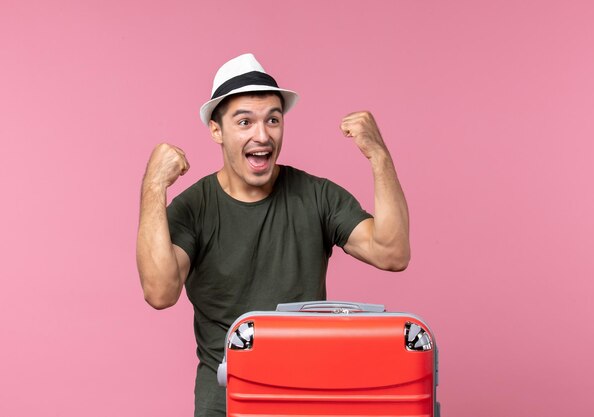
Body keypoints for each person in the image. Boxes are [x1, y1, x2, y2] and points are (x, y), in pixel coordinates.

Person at [136, 53, 410, 417]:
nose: (262, 135)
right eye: (244, 121)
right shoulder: (194, 208)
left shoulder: (316, 195)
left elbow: (392, 253)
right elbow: (159, 291)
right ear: (217, 130)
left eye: (273, 120)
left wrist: (379, 156)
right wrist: (154, 185)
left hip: (310, 396)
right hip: (227, 401)